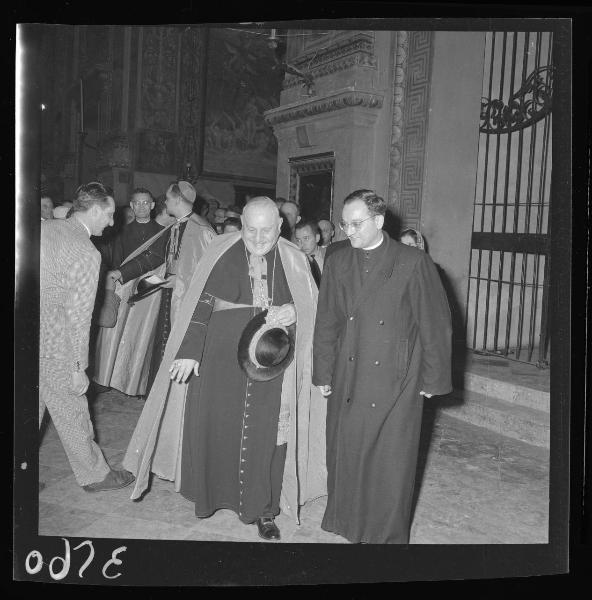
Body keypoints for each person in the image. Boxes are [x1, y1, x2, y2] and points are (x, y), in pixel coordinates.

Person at [123, 197, 326, 541]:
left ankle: (263, 510)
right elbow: (200, 303)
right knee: (220, 429)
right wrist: (189, 351)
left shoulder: (293, 257)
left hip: (272, 363)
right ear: (241, 225)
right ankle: (215, 496)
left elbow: (311, 308)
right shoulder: (221, 250)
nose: (259, 238)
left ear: (280, 226)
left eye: (267, 230)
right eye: (250, 230)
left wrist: (294, 310)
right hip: (219, 362)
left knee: (268, 436)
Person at [313, 189, 452, 544]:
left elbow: (434, 323)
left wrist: (432, 378)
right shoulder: (337, 259)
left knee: (390, 459)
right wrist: (323, 372)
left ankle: (384, 534)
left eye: (356, 224)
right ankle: (345, 520)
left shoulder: (412, 261)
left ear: (378, 221)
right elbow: (326, 320)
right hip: (348, 369)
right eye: (344, 224)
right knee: (347, 449)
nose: (348, 232)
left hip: (397, 375)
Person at [40, 181, 134, 492]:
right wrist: (78, 367)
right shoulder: (85, 251)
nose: (111, 222)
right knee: (72, 409)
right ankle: (96, 475)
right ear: (93, 210)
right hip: (56, 345)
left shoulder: (42, 229)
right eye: (108, 214)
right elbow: (79, 318)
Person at [93, 188, 169, 397]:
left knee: (140, 336)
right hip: (122, 287)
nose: (142, 207)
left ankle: (134, 383)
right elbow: (114, 259)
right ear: (132, 206)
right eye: (137, 203)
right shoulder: (121, 231)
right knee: (113, 332)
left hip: (147, 291)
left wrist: (122, 273)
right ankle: (105, 378)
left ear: (153, 206)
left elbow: (156, 258)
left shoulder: (162, 232)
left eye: (146, 203)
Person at [146, 181, 216, 392]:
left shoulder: (202, 229)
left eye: (167, 198)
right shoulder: (176, 224)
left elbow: (210, 272)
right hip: (170, 293)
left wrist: (182, 280)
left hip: (188, 301)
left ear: (177, 200)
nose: (164, 201)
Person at [294, 219, 325, 288]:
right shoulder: (294, 262)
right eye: (298, 240)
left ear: (317, 238)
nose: (302, 244)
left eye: (306, 238)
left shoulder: (329, 256)